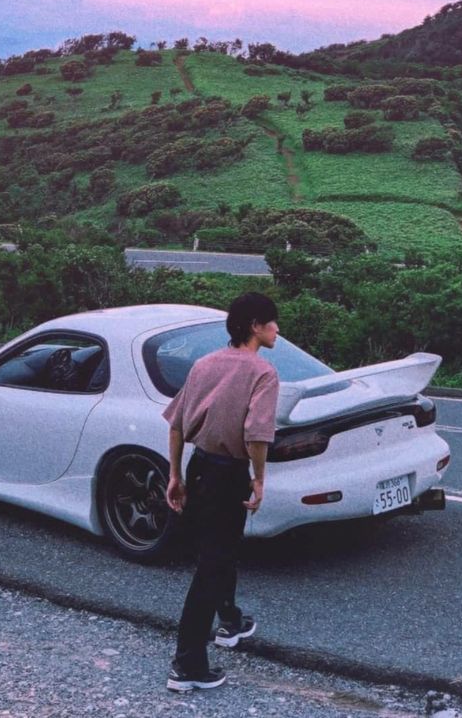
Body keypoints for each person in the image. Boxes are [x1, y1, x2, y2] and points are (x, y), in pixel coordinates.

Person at [164, 292, 280, 692]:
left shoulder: (203, 364)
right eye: (272, 322)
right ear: (254, 326)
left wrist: (174, 475)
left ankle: (230, 621)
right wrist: (259, 478)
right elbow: (257, 435)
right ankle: (188, 665)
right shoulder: (263, 373)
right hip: (230, 472)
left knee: (219, 550)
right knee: (213, 565)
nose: (277, 329)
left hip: (198, 467)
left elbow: (177, 425)